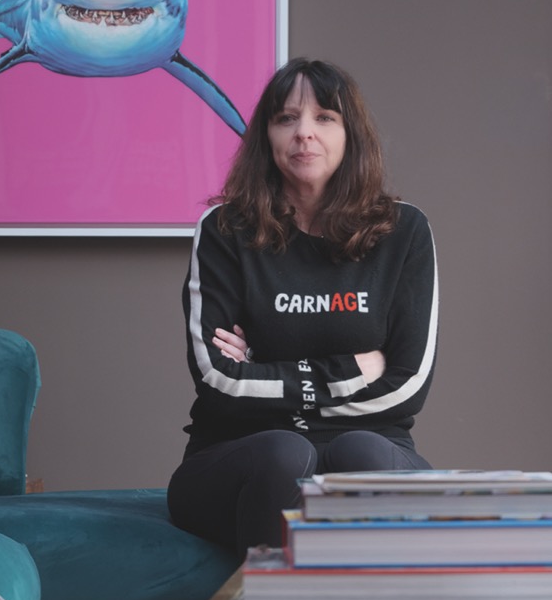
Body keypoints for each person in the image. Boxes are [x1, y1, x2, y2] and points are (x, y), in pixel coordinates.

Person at [166, 57, 439, 557]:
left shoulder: (404, 232)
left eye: (324, 118)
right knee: (285, 452)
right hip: (240, 457)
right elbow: (217, 379)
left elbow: (408, 386)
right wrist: (352, 369)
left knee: (362, 451)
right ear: (267, 136)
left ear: (350, 134)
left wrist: (268, 374)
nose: (304, 134)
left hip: (375, 448)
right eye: (286, 118)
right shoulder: (226, 231)